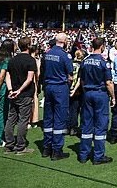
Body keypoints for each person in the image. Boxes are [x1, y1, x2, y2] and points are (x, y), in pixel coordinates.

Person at [78, 37, 115, 165]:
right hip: (100, 94)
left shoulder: (85, 61)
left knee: (86, 124)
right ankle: (98, 156)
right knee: (100, 125)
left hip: (87, 93)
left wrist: (86, 91)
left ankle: (83, 155)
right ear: (102, 46)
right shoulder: (104, 62)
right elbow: (108, 83)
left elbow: (82, 80)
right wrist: (113, 97)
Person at [41, 32, 73, 160]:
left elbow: (42, 70)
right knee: (59, 118)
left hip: (48, 86)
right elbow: (70, 75)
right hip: (60, 87)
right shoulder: (65, 55)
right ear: (65, 42)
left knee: (48, 118)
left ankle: (46, 147)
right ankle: (57, 150)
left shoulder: (47, 54)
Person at [4, 37, 37, 154]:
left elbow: (8, 76)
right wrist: (19, 90)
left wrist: (11, 90)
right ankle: (20, 146)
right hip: (25, 93)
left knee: (11, 119)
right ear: (28, 46)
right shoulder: (31, 60)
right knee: (23, 120)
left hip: (14, 93)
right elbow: (29, 79)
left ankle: (9, 145)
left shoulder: (12, 60)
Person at [68, 49, 85, 136]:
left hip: (70, 87)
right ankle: (79, 127)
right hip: (79, 88)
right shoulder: (82, 65)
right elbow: (80, 78)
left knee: (72, 109)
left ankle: (71, 127)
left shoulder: (70, 63)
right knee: (82, 109)